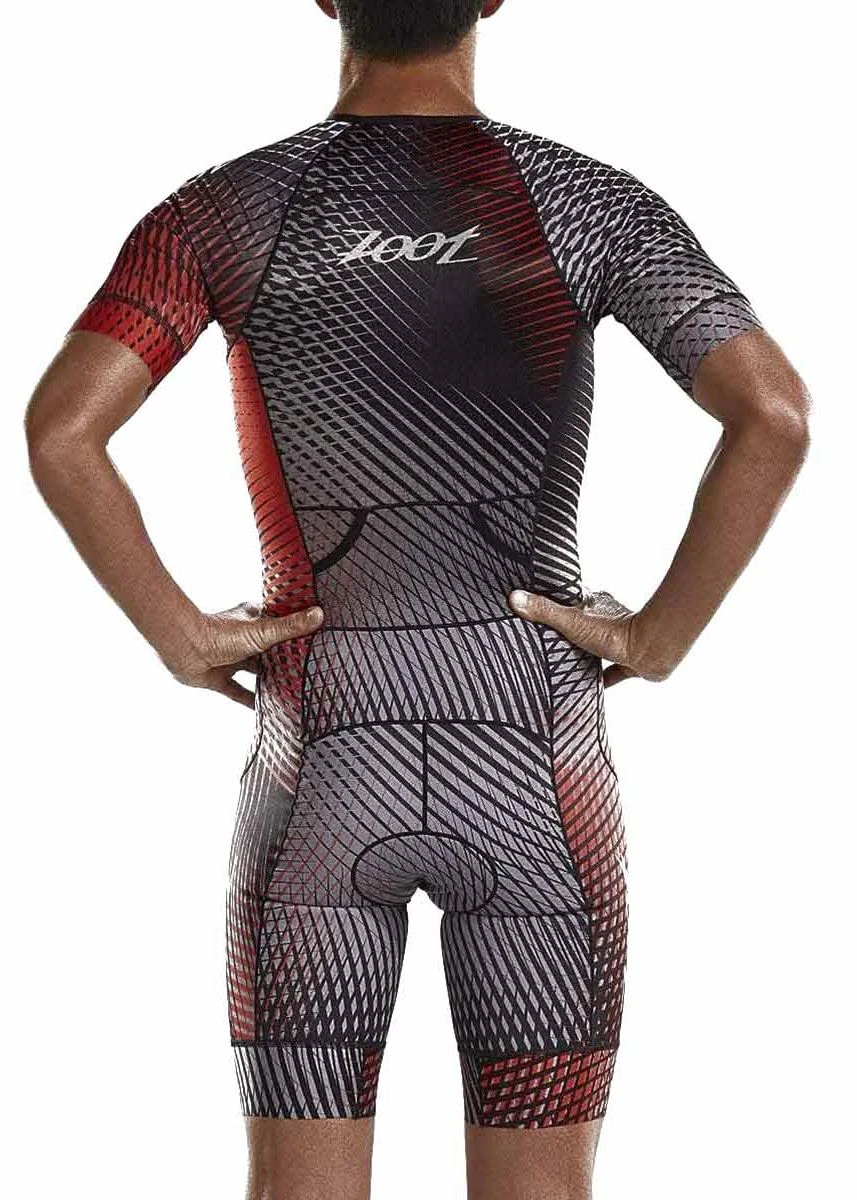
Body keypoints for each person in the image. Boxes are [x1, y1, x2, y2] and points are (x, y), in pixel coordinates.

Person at [25, 2, 810, 1197]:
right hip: (536, 764)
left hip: (320, 758)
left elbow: (62, 432)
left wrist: (180, 636)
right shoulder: (586, 204)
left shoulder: (223, 210)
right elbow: (773, 414)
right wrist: (658, 636)